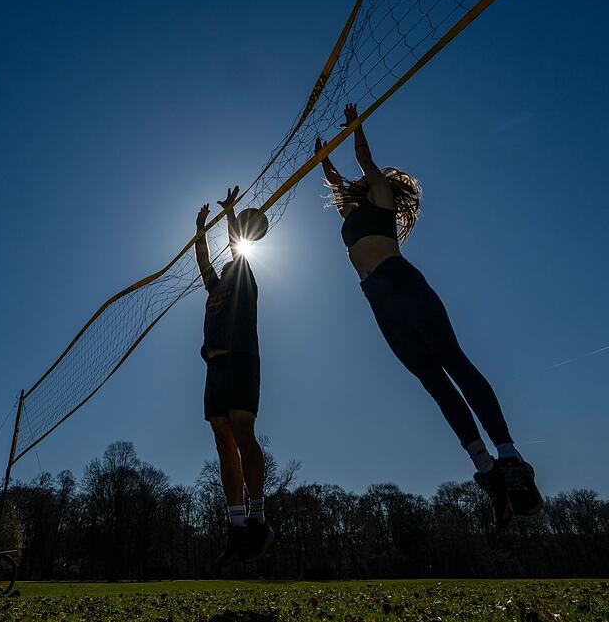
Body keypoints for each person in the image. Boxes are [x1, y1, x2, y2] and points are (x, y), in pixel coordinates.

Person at [318, 103, 543, 529]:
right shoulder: (351, 211)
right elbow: (335, 183)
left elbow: (365, 161)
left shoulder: (382, 197)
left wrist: (355, 129)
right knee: (432, 381)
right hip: (376, 298)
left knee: (452, 361)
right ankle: (487, 469)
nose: (363, 179)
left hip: (402, 282)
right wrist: (323, 159)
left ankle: (510, 457)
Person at [194, 186, 275, 567]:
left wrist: (229, 213)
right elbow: (204, 263)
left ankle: (258, 518)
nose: (227, 264)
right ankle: (237, 527)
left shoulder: (244, 274)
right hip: (214, 367)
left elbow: (233, 247)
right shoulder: (216, 287)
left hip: (242, 359)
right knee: (221, 441)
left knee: (243, 434)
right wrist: (198, 232)